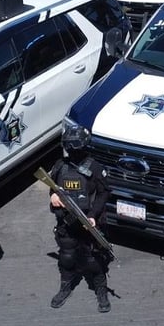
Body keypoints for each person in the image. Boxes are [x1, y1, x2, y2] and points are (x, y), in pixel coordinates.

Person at [48, 126, 113, 313]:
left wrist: (93, 216)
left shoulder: (95, 168)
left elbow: (104, 193)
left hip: (88, 223)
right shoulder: (60, 166)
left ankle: (101, 290)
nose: (72, 150)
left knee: (94, 260)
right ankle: (65, 287)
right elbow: (53, 188)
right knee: (67, 257)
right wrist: (53, 196)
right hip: (66, 222)